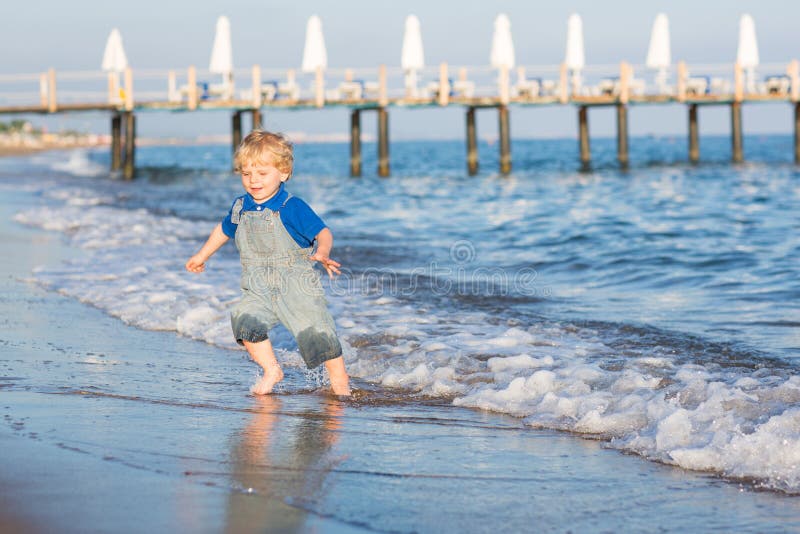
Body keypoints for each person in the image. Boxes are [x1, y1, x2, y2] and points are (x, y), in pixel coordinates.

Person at [185, 130, 350, 396]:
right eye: (246, 173)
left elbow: (323, 231)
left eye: (262, 174)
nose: (253, 180)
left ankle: (342, 388)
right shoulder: (240, 206)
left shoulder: (291, 206)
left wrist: (323, 251)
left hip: (296, 289)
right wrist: (202, 255)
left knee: (319, 337)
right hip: (258, 288)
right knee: (244, 322)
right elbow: (223, 230)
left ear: (283, 173)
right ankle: (272, 369)